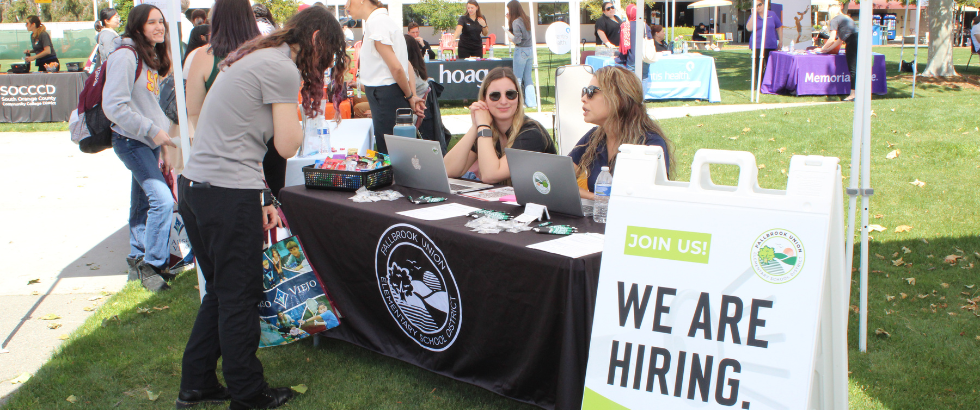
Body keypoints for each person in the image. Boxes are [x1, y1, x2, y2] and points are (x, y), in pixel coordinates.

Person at [176, 6, 349, 410]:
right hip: (224, 193)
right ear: (318, 41)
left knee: (221, 292)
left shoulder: (254, 56)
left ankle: (197, 383)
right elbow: (287, 146)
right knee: (239, 297)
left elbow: (239, 141)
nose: (321, 68)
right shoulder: (282, 68)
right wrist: (303, 119)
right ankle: (248, 394)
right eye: (326, 58)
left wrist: (263, 197)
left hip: (199, 188)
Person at [101, 4, 175, 291]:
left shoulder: (148, 56)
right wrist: (150, 131)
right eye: (152, 22)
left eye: (162, 22)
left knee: (143, 203)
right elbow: (114, 107)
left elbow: (150, 106)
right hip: (131, 140)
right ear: (137, 26)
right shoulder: (125, 55)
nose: (159, 27)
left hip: (149, 142)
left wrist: (162, 145)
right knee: (163, 200)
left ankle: (136, 260)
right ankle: (152, 265)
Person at [571, 66, 672, 199]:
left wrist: (599, 200)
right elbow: (561, 180)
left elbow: (643, 198)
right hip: (598, 217)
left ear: (618, 98)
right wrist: (597, 198)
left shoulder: (649, 144)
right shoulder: (593, 137)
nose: (584, 98)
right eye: (584, 91)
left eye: (591, 92)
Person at [444, 67, 555, 185]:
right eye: (495, 95)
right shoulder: (487, 130)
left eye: (510, 94)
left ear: (518, 98)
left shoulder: (532, 133)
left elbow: (490, 175)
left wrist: (482, 127)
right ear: (484, 100)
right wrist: (475, 126)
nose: (503, 101)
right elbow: (447, 170)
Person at [347, 0, 425, 154]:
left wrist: (410, 96)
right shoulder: (380, 22)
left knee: (392, 155)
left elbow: (397, 67)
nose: (346, 6)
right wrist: (411, 95)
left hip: (386, 96)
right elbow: (403, 64)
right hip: (387, 95)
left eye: (349, 1)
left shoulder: (378, 23)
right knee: (395, 153)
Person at [186, 0, 260, 144]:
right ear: (249, 17)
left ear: (215, 18)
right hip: (262, 141)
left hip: (218, 143)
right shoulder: (264, 52)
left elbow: (195, 111)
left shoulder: (203, 56)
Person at [819, 3, 857, 101]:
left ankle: (853, 94)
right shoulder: (847, 18)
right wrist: (826, 49)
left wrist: (822, 49)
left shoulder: (834, 20)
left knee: (853, 69)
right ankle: (858, 93)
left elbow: (832, 39)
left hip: (852, 43)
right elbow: (840, 39)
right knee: (857, 68)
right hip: (858, 41)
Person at [507, 0, 536, 108]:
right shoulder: (527, 19)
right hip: (530, 49)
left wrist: (512, 39)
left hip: (521, 50)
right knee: (528, 77)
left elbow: (518, 39)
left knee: (517, 77)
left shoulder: (516, 22)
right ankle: (532, 102)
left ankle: (518, 102)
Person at [746, 0, 783, 80]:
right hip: (757, 45)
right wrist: (753, 14)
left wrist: (780, 40)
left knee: (770, 65)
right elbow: (749, 28)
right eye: (755, 6)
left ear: (764, 4)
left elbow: (779, 27)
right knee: (759, 65)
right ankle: (760, 84)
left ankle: (768, 82)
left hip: (770, 44)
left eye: (759, 5)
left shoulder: (772, 14)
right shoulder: (754, 16)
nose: (758, 7)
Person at [617, 4, 652, 72]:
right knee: (644, 80)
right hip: (644, 58)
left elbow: (623, 47)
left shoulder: (625, 26)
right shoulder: (644, 25)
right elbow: (650, 40)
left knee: (631, 81)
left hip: (632, 59)